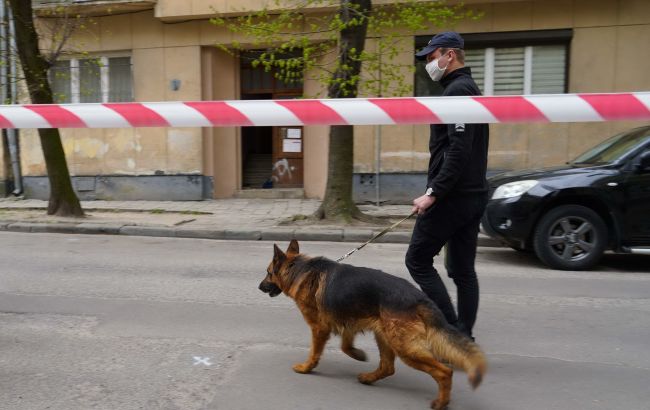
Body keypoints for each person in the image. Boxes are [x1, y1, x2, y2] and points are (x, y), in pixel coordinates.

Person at [406, 32, 489, 340]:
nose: (429, 63)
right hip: (473, 194)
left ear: (449, 55)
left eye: (431, 56)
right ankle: (464, 334)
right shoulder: (467, 89)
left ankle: (449, 329)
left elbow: (458, 149)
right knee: (462, 270)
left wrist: (433, 193)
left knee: (417, 260)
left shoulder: (458, 91)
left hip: (453, 197)